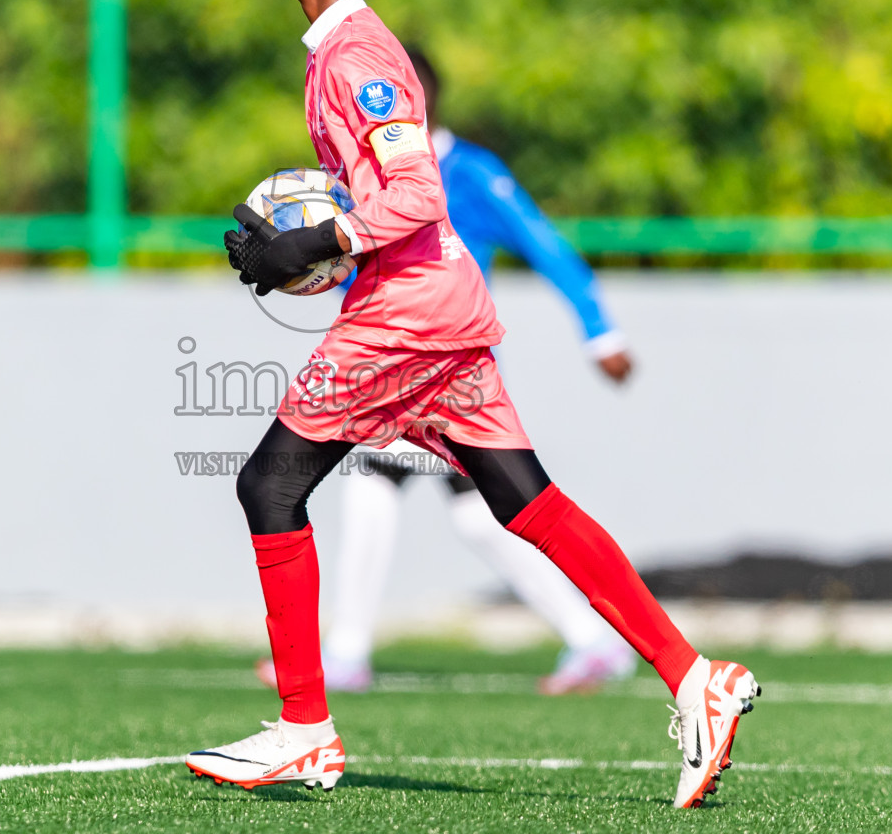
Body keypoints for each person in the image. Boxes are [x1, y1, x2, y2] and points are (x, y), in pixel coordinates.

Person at [188, 0, 759, 810]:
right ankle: (696, 679)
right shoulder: (338, 48)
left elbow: (414, 195)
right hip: (439, 304)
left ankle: (304, 731)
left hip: (404, 313)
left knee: (269, 482)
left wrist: (317, 240)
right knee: (522, 499)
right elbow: (387, 193)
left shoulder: (358, 55)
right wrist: (306, 249)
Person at [261, 48, 640, 697]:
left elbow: (543, 244)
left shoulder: (467, 173)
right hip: (391, 360)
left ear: (409, 101)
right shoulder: (363, 179)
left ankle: (347, 658)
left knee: (386, 489)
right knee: (456, 509)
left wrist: (600, 330)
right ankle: (594, 641)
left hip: (441, 363)